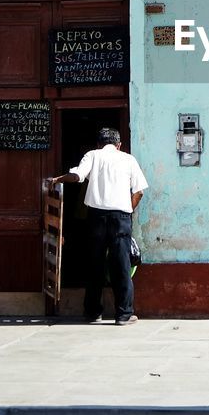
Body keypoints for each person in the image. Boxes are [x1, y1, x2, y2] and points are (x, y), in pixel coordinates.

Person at [47, 128, 148, 325]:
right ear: (119, 145)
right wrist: (128, 210)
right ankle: (123, 314)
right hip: (121, 217)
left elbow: (76, 176)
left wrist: (57, 179)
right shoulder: (128, 159)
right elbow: (139, 192)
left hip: (96, 217)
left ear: (98, 144)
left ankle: (93, 313)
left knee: (95, 264)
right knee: (122, 264)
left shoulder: (92, 155)